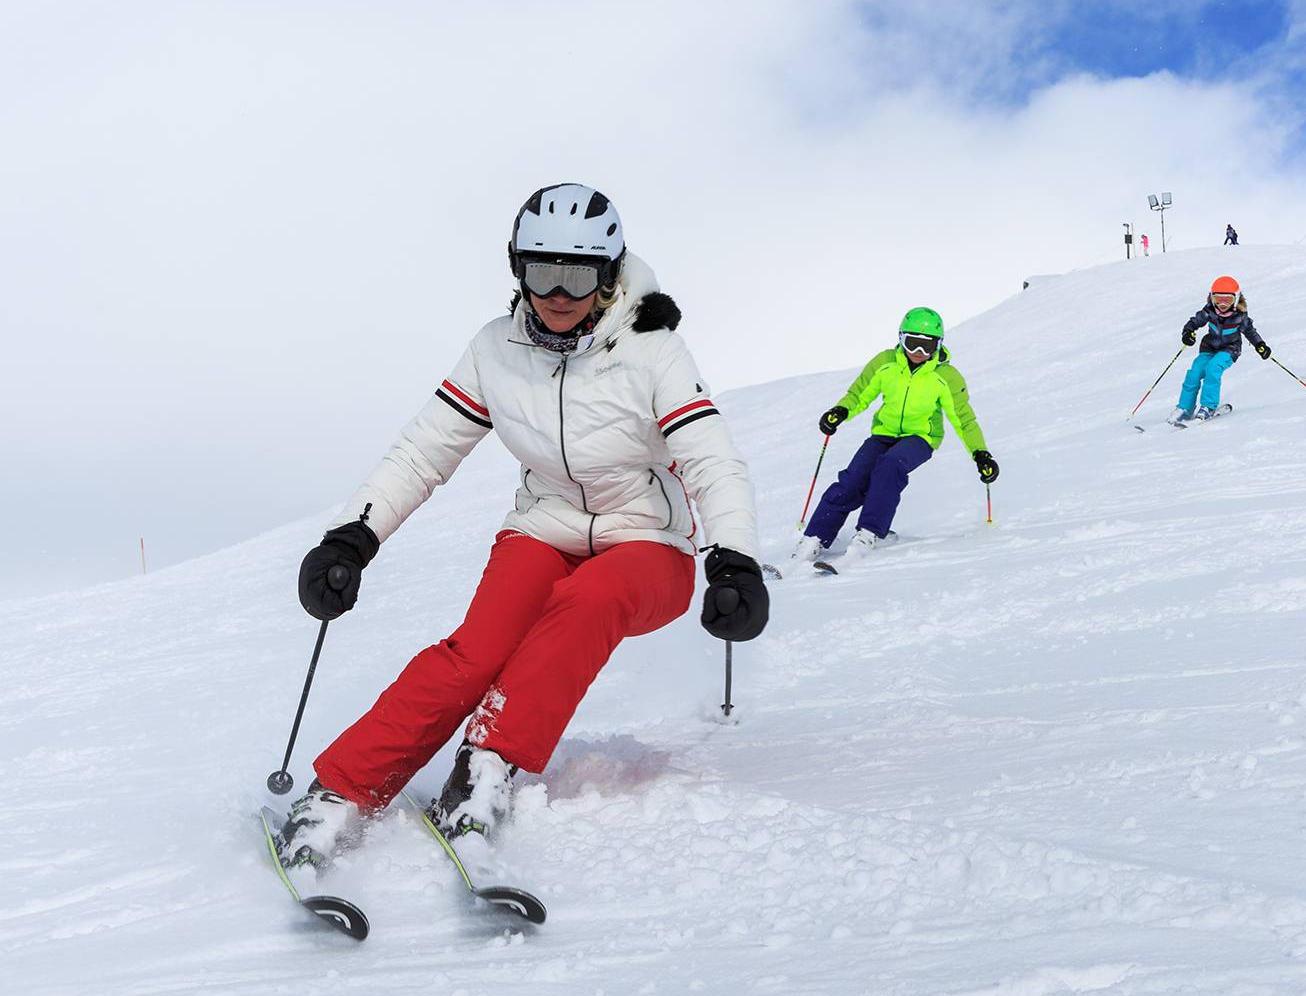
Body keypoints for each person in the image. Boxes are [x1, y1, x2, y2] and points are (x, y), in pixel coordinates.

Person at [276, 183, 769, 873]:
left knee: (589, 600)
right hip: (543, 528)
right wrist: (351, 539)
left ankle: (486, 767)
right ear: (517, 269)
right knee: (476, 652)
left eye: (578, 275)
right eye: (542, 273)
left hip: (647, 543)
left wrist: (734, 561)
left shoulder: (654, 350)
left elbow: (708, 457)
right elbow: (424, 450)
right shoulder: (494, 350)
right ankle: (339, 791)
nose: (558, 295)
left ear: (608, 278)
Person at [793, 308, 996, 566]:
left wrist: (980, 454)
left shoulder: (945, 377)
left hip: (921, 438)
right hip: (884, 433)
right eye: (913, 343)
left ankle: (869, 533)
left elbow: (964, 419)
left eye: (927, 346)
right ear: (901, 339)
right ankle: (815, 539)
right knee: (853, 478)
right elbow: (859, 394)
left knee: (890, 465)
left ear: (939, 345)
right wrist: (840, 411)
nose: (919, 353)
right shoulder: (885, 363)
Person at [1173, 275, 1268, 422]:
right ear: (1212, 298)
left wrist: (1260, 345)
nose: (1222, 304)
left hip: (1230, 349)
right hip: (1209, 347)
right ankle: (1185, 408)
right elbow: (1194, 322)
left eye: (1227, 300)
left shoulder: (1240, 316)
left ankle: (1208, 407)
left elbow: (1250, 331)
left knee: (1213, 368)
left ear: (1236, 299)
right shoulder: (1209, 311)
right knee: (1194, 372)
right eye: (1218, 299)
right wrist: (1188, 332)